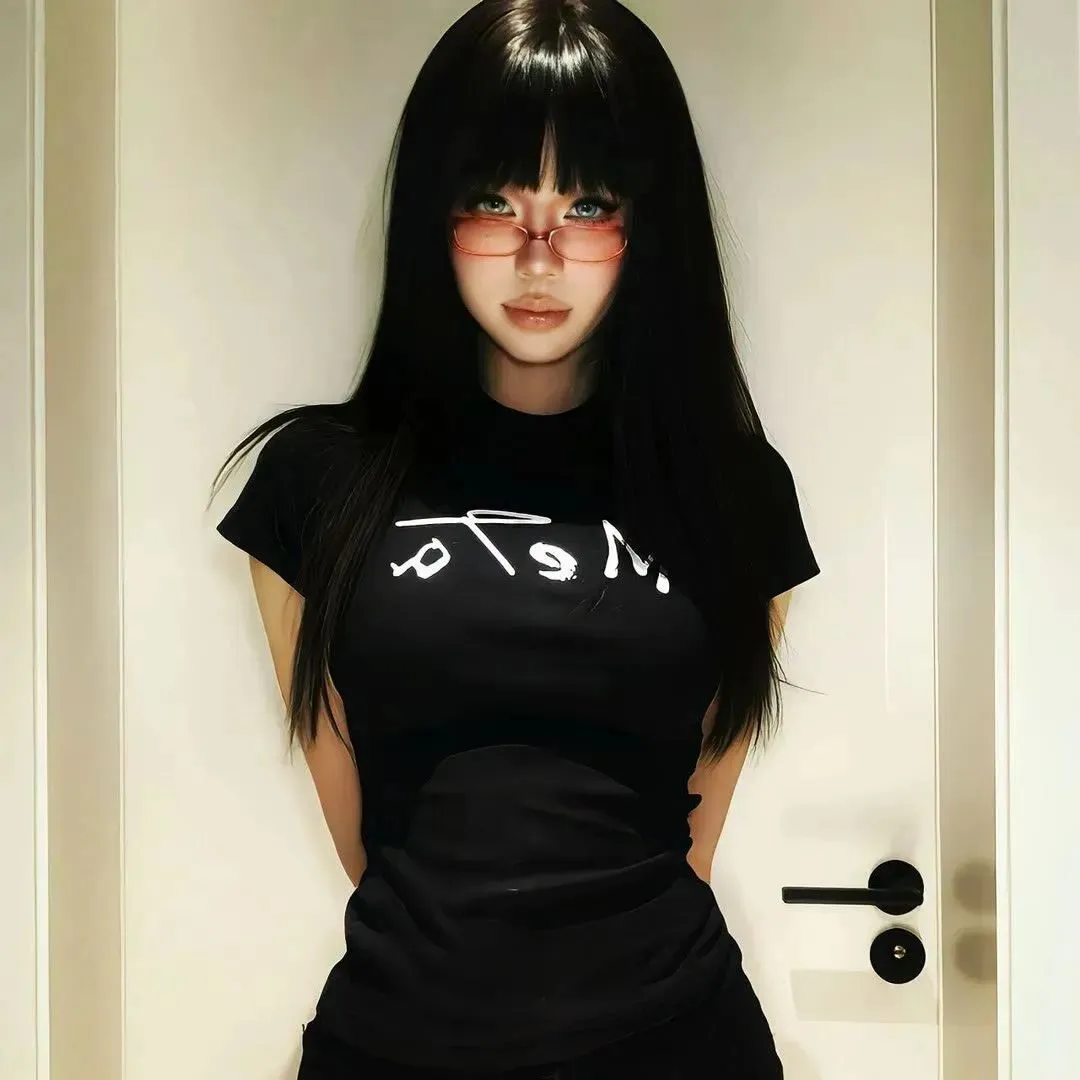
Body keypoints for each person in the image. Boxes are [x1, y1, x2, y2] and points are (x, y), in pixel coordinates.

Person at [213, 1, 819, 1076]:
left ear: (650, 226)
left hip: (678, 1045)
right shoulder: (313, 485)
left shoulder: (737, 495)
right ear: (432, 216)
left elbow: (690, 833)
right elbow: (369, 843)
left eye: (587, 205)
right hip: (393, 1048)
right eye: (495, 201)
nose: (539, 259)